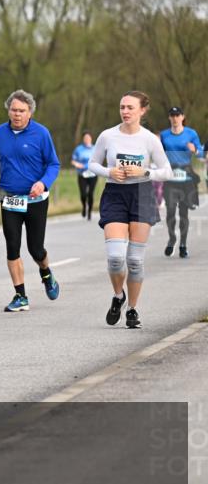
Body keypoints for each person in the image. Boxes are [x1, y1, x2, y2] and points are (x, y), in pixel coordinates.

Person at [87, 91, 173, 329]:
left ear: (142, 110)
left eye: (130, 107)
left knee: (134, 261)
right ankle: (118, 296)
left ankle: (133, 310)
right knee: (115, 258)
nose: (125, 111)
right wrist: (109, 172)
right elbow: (92, 163)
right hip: (115, 194)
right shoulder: (108, 136)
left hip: (142, 195)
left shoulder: (149, 140)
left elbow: (167, 171)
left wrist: (145, 172)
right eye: (122, 107)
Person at [0, 90, 62, 312]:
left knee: (36, 249)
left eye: (21, 111)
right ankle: (20, 295)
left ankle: (46, 273)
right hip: (9, 198)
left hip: (35, 199)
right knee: (12, 247)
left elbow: (53, 164)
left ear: (30, 113)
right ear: (8, 110)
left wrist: (43, 183)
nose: (16, 114)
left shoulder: (41, 134)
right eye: (13, 110)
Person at [159, 106, 203, 258]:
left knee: (183, 213)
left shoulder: (191, 133)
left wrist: (195, 150)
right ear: (169, 118)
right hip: (170, 178)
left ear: (183, 117)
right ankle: (172, 238)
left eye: (177, 115)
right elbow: (158, 153)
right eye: (172, 115)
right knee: (170, 212)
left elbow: (202, 152)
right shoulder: (164, 135)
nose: (175, 118)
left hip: (186, 179)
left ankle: (183, 244)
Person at [71, 131, 98, 220]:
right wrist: (77, 164)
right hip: (82, 174)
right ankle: (84, 207)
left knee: (90, 194)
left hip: (93, 174)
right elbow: (73, 161)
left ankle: (89, 211)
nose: (86, 139)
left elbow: (99, 160)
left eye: (88, 138)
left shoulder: (95, 149)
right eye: (85, 138)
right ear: (83, 139)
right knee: (83, 194)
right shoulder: (79, 149)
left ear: (91, 138)